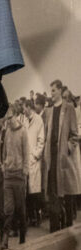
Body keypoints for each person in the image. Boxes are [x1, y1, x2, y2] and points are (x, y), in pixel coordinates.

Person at [43, 80, 79, 233]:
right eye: (50, 91)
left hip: (63, 160)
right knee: (52, 195)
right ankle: (54, 229)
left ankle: (67, 228)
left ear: (59, 91)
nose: (51, 93)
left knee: (66, 194)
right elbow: (46, 135)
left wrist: (67, 150)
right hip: (51, 159)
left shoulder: (69, 108)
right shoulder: (49, 111)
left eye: (53, 90)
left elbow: (74, 135)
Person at [0, 104, 28, 248]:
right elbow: (3, 152)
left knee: (21, 209)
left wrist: (25, 173)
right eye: (6, 118)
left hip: (19, 176)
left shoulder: (23, 132)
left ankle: (22, 237)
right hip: (8, 176)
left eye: (10, 117)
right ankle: (5, 240)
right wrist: (4, 166)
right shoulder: (7, 131)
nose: (8, 120)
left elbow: (26, 154)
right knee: (8, 209)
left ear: (16, 115)